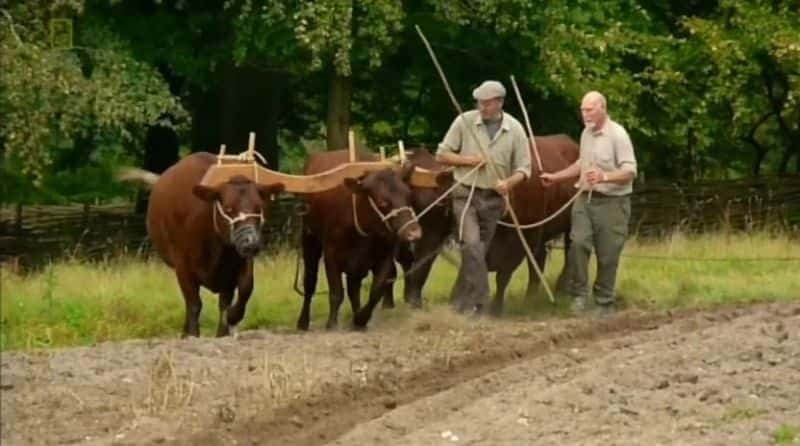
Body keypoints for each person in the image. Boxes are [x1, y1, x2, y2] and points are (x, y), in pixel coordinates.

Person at [436, 80, 532, 315]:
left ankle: (459, 305)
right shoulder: (464, 122)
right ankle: (482, 301)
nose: (482, 107)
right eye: (479, 102)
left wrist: (508, 183)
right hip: (465, 194)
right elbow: (442, 154)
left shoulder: (515, 129)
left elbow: (524, 169)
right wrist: (468, 160)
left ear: (499, 102)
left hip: (494, 200)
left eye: (487, 103)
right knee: (471, 245)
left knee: (477, 254)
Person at [540, 91, 637, 315]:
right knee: (578, 244)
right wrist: (556, 177)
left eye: (589, 109)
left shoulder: (618, 135)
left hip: (612, 202)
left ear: (602, 108)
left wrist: (604, 177)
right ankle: (579, 296)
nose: (585, 114)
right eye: (582, 110)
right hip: (585, 199)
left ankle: (604, 301)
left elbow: (630, 170)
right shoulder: (586, 134)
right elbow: (581, 164)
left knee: (607, 252)